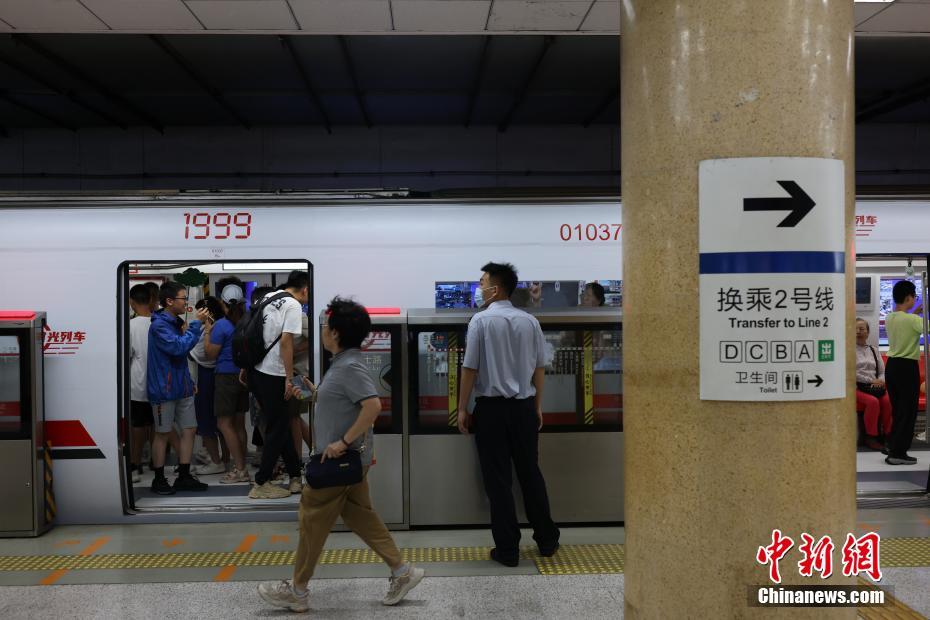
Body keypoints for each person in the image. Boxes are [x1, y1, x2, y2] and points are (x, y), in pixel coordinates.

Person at [257, 297, 425, 612]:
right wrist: (310, 391)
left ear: (334, 333)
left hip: (338, 462)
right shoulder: (343, 363)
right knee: (361, 517)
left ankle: (298, 591)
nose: (321, 330)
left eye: (324, 325)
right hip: (351, 466)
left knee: (311, 521)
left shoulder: (348, 366)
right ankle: (403, 572)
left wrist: (343, 442)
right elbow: (338, 402)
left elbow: (373, 405)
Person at [457, 262, 560, 567]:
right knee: (531, 474)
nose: (480, 286)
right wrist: (537, 405)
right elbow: (539, 368)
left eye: (483, 281)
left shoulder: (481, 322)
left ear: (495, 288)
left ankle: (508, 550)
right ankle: (547, 540)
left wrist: (462, 408)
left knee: (498, 481)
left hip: (491, 410)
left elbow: (470, 369)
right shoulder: (530, 322)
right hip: (524, 408)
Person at [246, 271, 309, 499]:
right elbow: (286, 342)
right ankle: (261, 483)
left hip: (257, 371)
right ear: (305, 289)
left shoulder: (268, 298)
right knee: (277, 428)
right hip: (274, 373)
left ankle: (294, 476)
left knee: (279, 424)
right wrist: (288, 378)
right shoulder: (292, 305)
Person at [148, 281, 210, 494]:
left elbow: (181, 357)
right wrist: (195, 325)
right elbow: (178, 348)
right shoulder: (159, 326)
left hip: (182, 387)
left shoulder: (174, 322)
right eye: (184, 299)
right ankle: (158, 479)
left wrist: (189, 382)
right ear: (169, 301)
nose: (186, 303)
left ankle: (183, 475)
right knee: (163, 433)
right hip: (163, 390)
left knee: (190, 429)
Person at [206, 300, 251, 484]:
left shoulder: (221, 325)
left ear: (225, 305)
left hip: (225, 377)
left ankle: (240, 470)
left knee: (224, 424)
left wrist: (208, 331)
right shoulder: (247, 322)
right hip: (243, 376)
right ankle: (242, 466)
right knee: (239, 424)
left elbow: (211, 353)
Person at [884, 280, 923, 465]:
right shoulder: (914, 321)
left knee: (898, 410)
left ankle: (893, 448)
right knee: (908, 412)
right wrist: (918, 315)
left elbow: (906, 321)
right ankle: (898, 454)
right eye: (914, 297)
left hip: (892, 367)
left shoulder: (891, 317)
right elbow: (923, 327)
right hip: (907, 368)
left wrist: (915, 313)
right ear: (909, 298)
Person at [190, 296, 226, 476]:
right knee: (220, 422)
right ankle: (220, 458)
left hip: (208, 377)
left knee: (206, 419)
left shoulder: (211, 329)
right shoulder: (221, 325)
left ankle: (216, 461)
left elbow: (206, 354)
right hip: (212, 376)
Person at [128, 284, 155, 483]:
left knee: (137, 425)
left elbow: (128, 355)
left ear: (132, 302)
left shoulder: (131, 325)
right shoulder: (159, 322)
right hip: (160, 383)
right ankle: (157, 461)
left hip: (138, 382)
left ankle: (135, 464)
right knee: (157, 424)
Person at [855, 318, 892, 452]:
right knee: (873, 402)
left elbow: (882, 371)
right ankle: (871, 436)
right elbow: (851, 373)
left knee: (887, 401)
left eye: (862, 329)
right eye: (855, 329)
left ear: (868, 332)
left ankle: (888, 434)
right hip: (858, 387)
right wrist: (870, 381)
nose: (858, 332)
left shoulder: (874, 350)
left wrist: (881, 381)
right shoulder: (848, 351)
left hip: (875, 386)